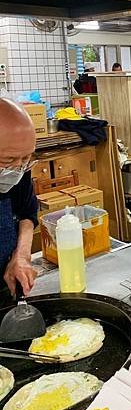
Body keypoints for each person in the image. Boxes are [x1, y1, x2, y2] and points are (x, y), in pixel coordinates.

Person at [0, 99, 38, 297]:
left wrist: (21, 256)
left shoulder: (20, 169)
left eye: (26, 158)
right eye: (8, 160)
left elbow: (27, 213)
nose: (18, 168)